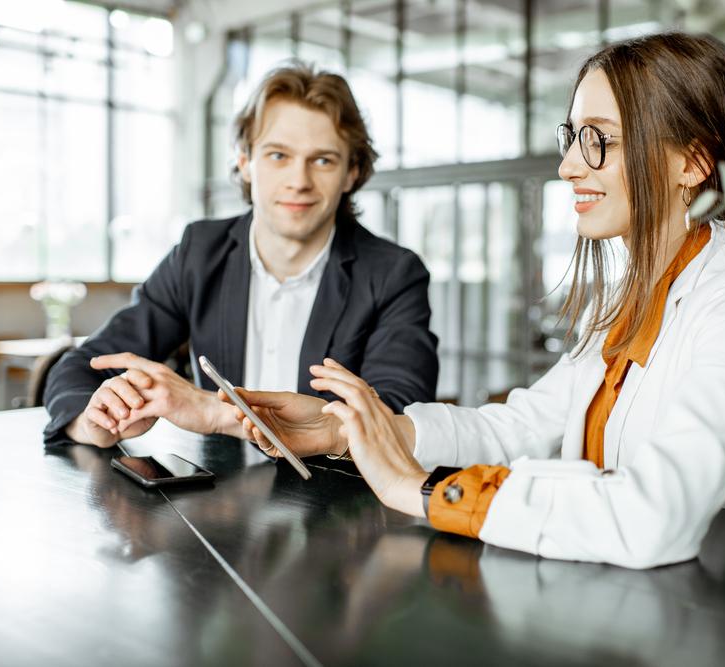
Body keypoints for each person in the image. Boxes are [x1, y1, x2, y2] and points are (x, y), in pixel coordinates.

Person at [224, 32, 725, 568]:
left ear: (692, 161)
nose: (568, 166)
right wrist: (352, 431)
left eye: (600, 142)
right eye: (573, 138)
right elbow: (522, 426)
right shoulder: (627, 301)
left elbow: (654, 515)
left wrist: (423, 490)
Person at [42, 64, 439, 448]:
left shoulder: (393, 274)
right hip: (219, 502)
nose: (298, 181)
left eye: (322, 160)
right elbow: (79, 369)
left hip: (340, 501)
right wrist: (96, 423)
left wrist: (216, 414)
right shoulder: (200, 252)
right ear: (246, 162)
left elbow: (397, 417)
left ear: (352, 173)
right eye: (278, 155)